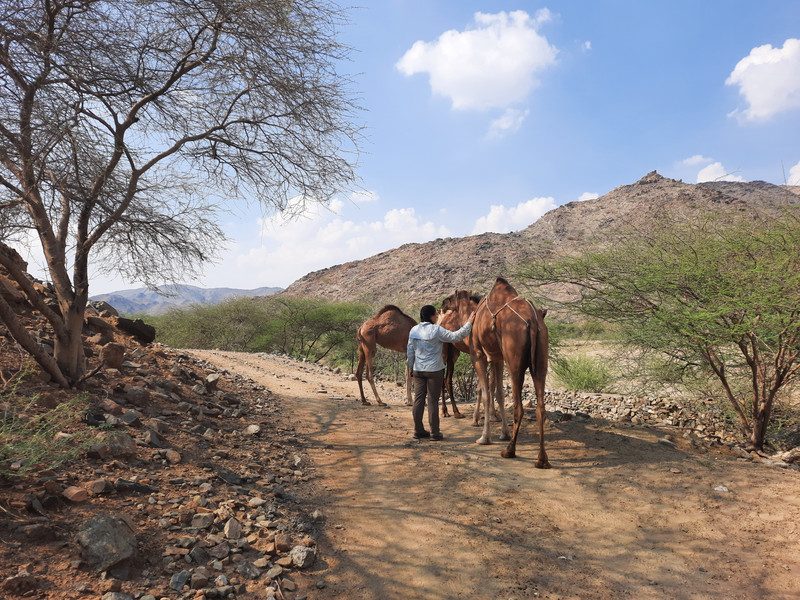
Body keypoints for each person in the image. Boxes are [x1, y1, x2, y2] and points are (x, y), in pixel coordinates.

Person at [406, 304, 474, 440]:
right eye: (435, 315)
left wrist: (410, 367)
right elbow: (456, 336)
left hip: (418, 370)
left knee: (418, 400)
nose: (436, 317)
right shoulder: (437, 330)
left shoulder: (413, 330)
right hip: (434, 371)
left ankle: (418, 431)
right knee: (432, 401)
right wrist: (469, 323)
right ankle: (434, 433)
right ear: (432, 316)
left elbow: (410, 351)